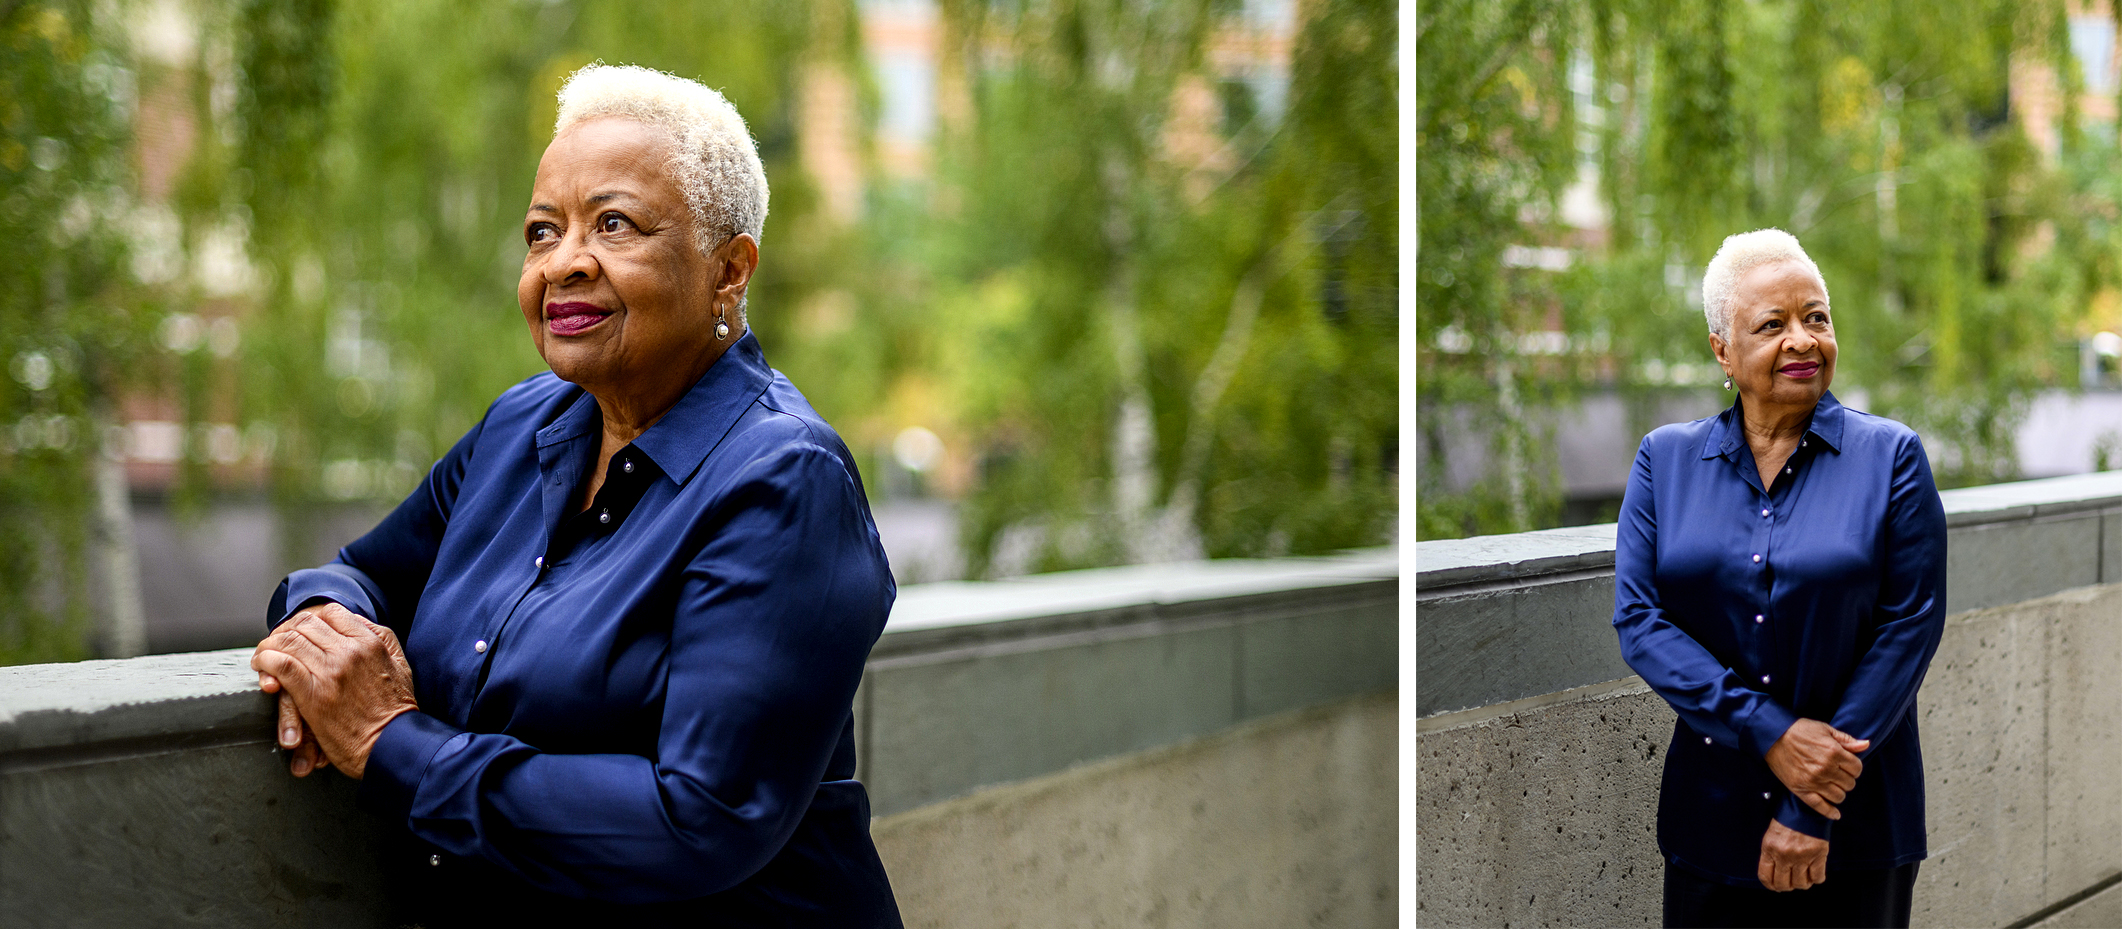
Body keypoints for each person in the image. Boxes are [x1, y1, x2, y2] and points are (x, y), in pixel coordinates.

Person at [249, 64, 903, 927]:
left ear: (729, 270)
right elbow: (359, 573)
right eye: (541, 232)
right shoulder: (522, 426)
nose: (564, 264)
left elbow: (698, 820)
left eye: (615, 224)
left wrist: (389, 743)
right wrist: (319, 631)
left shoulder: (785, 480)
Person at [1611, 228, 1948, 929]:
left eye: (1816, 317)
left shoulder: (1892, 457)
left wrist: (1809, 802)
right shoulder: (1664, 462)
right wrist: (1767, 729)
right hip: (1711, 821)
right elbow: (1641, 621)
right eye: (1772, 324)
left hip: (1854, 830)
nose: (1802, 339)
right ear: (1722, 350)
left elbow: (1908, 627)